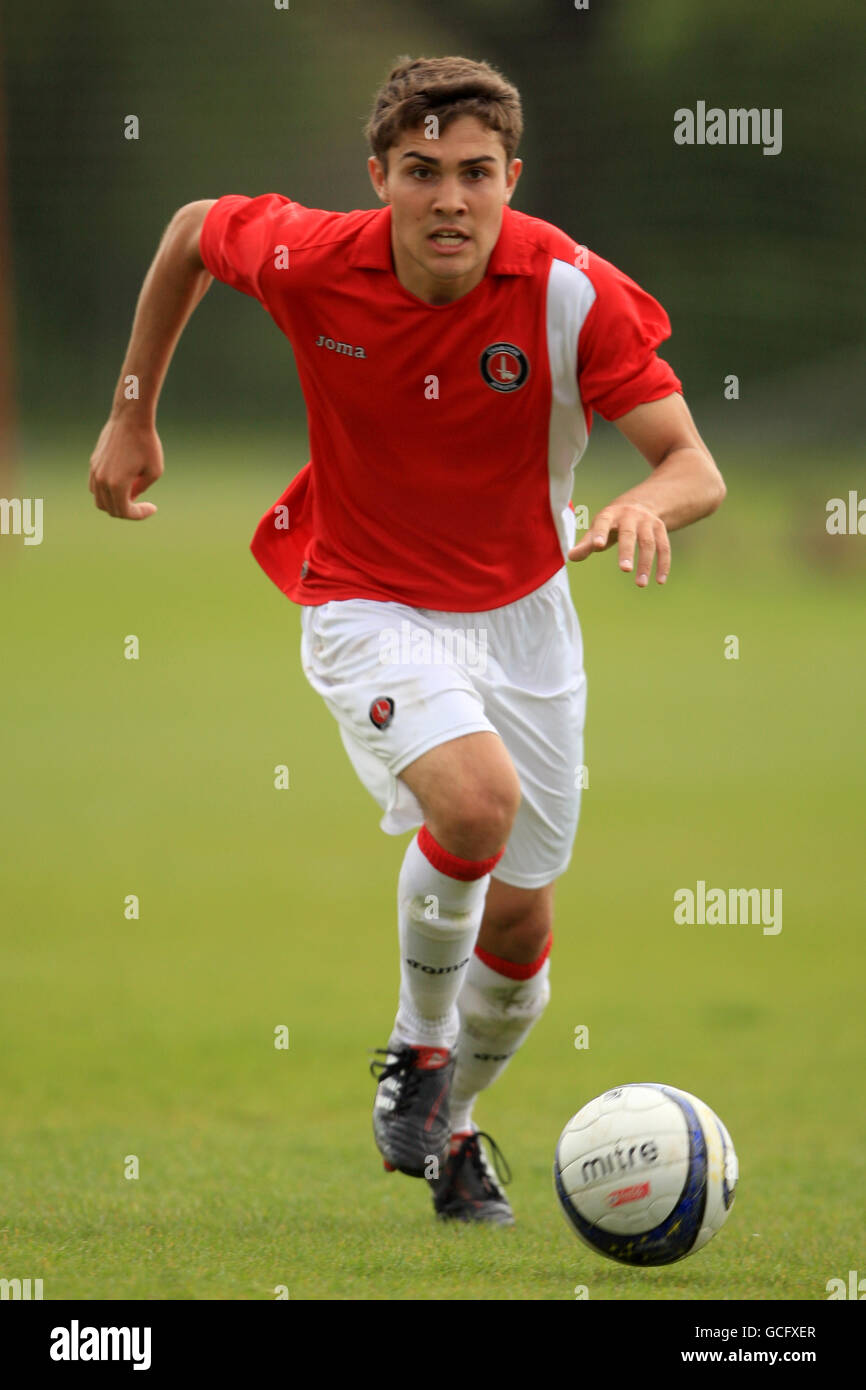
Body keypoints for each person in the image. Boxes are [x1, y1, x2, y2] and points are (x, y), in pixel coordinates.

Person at [89, 54, 726, 1227]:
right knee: (472, 806)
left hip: (528, 618)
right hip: (363, 598)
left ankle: (456, 1127)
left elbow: (692, 462)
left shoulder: (570, 291)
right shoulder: (310, 259)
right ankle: (415, 1053)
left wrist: (647, 502)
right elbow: (190, 230)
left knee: (523, 923)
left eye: (475, 173)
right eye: (421, 171)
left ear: (510, 178)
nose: (449, 198)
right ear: (376, 177)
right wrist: (134, 412)